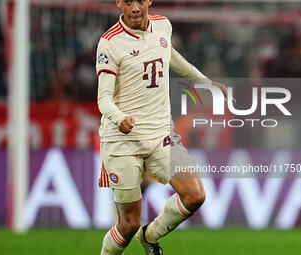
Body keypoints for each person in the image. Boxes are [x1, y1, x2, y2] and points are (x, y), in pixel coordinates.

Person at [96, 1, 229, 254]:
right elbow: (103, 99)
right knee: (128, 224)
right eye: (128, 1)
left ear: (149, 1)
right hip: (123, 139)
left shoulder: (162, 25)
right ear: (119, 3)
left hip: (161, 135)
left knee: (195, 195)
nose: (135, 7)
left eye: (139, 1)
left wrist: (205, 82)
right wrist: (119, 117)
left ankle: (150, 236)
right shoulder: (110, 42)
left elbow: (172, 58)